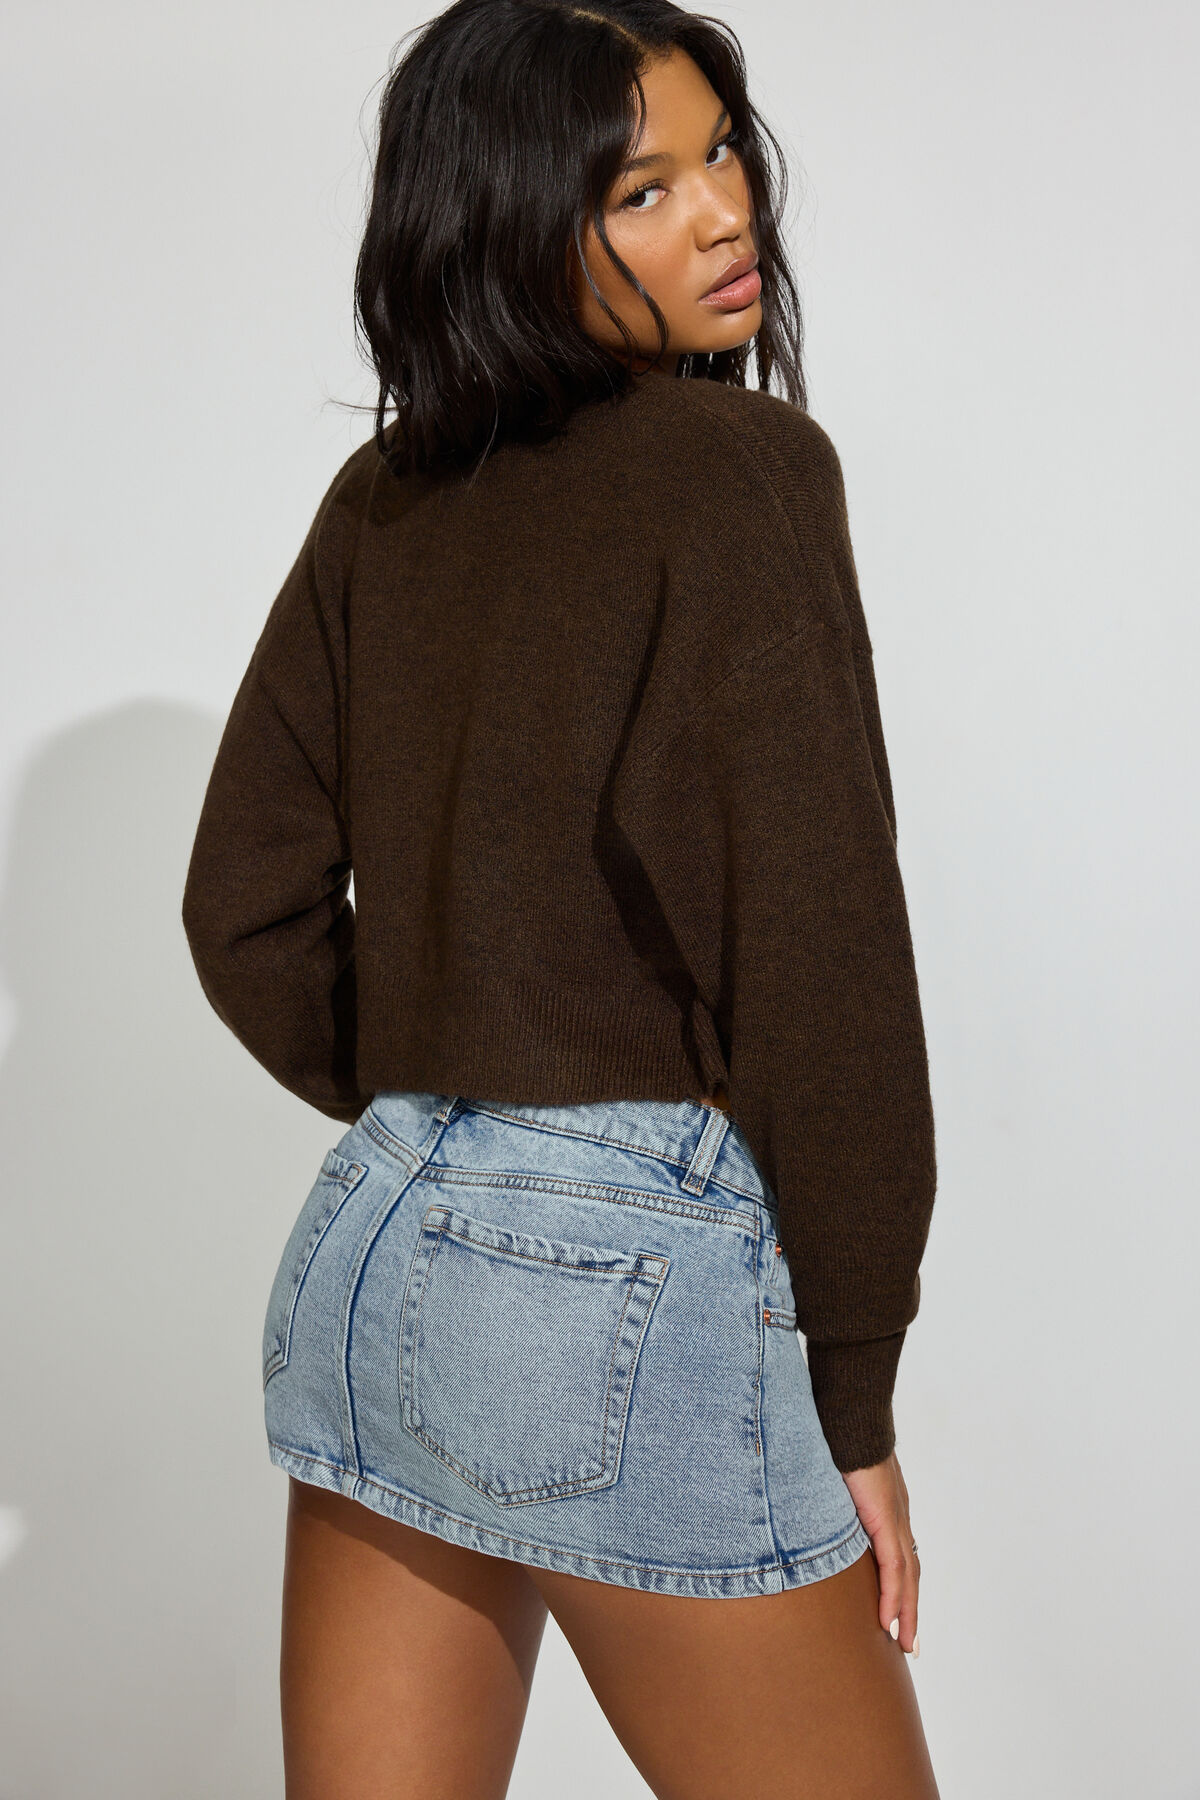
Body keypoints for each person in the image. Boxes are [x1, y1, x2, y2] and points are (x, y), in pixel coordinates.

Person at [181, 2, 941, 1794]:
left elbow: (244, 908)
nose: (725, 213)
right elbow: (822, 955)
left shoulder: (384, 499)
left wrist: (457, 1112)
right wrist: (856, 1387)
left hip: (376, 1242)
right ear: (515, 225)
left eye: (721, 153)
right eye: (641, 190)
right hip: (622, 1274)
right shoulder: (745, 475)